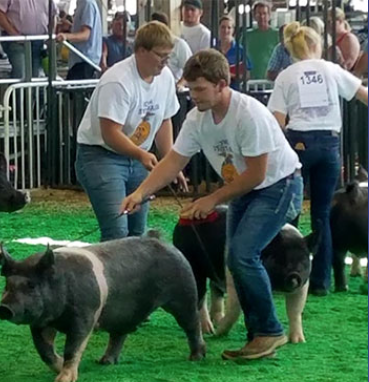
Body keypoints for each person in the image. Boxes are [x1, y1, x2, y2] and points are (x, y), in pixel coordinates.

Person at [121, 49, 303, 360]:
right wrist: (139, 193)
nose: (193, 96)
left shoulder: (249, 114)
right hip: (247, 189)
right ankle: (258, 336)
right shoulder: (196, 119)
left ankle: (270, 330)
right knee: (235, 257)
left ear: (222, 84)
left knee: (244, 254)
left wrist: (211, 199)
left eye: (200, 89)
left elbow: (257, 174)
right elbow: (174, 161)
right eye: (190, 89)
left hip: (279, 184)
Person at [268, 22, 368, 296]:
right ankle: (322, 282)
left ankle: (289, 272)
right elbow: (362, 95)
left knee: (292, 212)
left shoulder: (286, 75)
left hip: (298, 143)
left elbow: (276, 119)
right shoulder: (330, 69)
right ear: (316, 46)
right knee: (322, 215)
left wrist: (283, 147)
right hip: (329, 144)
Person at [75, 21, 187, 242]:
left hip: (138, 158)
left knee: (137, 231)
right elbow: (110, 133)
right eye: (160, 55)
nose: (165, 62)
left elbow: (164, 120)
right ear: (141, 51)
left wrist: (171, 161)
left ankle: (135, 277)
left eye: (168, 56)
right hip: (101, 155)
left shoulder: (164, 78)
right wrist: (141, 154)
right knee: (116, 231)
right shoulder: (117, 81)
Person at [0, 0, 56, 79]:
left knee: (36, 76)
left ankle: (32, 91)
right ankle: (19, 90)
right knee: (20, 75)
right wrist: (14, 34)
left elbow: (53, 14)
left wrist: (50, 34)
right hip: (16, 40)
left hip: (39, 40)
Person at [56, 0, 102, 80]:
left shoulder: (87, 4)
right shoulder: (82, 4)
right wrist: (70, 27)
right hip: (79, 61)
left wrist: (66, 36)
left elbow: (85, 35)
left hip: (84, 62)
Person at [245, 1, 279, 80]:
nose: (262, 16)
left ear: (269, 15)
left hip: (272, 80)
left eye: (264, 13)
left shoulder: (277, 34)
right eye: (259, 13)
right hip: (251, 80)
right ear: (254, 16)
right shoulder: (247, 35)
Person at [218, 15, 251, 89]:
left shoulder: (240, 50)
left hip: (235, 90)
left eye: (229, 27)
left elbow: (247, 75)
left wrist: (232, 75)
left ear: (233, 30)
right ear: (219, 28)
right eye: (223, 27)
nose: (226, 30)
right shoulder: (213, 49)